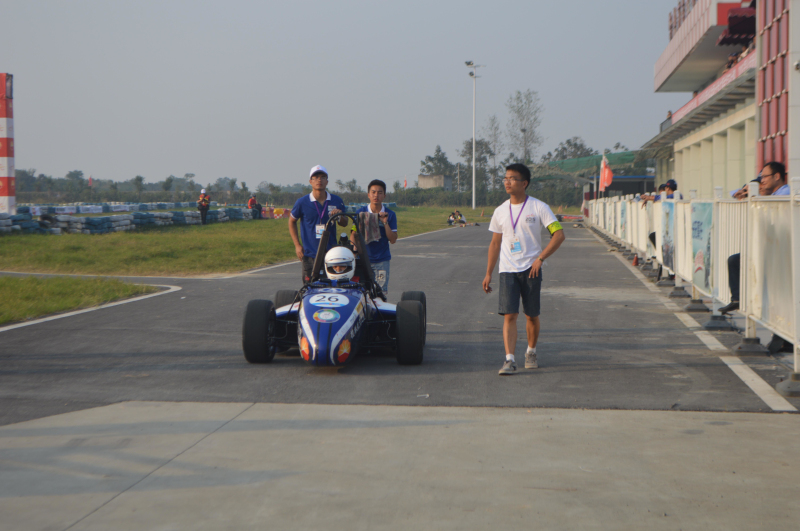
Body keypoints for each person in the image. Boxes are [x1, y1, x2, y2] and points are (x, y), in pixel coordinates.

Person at [482, 163, 566, 375]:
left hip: (531, 270)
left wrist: (540, 258)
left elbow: (559, 235)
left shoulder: (539, 207)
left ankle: (531, 351)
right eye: (506, 178)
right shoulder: (500, 211)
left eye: (512, 178)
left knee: (531, 315)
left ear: (524, 183)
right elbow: (495, 244)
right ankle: (509, 359)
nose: (507, 182)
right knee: (509, 315)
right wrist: (488, 273)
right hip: (507, 270)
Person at [721, 162, 789, 314]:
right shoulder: (773, 195)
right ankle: (738, 300)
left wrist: (756, 196)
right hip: (774, 248)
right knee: (735, 260)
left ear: (777, 176)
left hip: (783, 251)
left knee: (737, 261)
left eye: (764, 177)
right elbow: (734, 192)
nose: (762, 181)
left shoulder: (785, 194)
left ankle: (752, 305)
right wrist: (745, 193)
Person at [289, 165, 348, 284]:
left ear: (327, 181)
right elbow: (291, 221)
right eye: (315, 177)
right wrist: (297, 245)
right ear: (310, 181)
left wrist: (339, 216)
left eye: (322, 177)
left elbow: (345, 223)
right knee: (310, 288)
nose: (319, 180)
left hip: (331, 254)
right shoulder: (302, 202)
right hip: (310, 254)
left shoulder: (336, 200)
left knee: (332, 287)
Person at [353, 179, 397, 293]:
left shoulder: (390, 214)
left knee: (380, 293)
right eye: (373, 192)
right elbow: (353, 234)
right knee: (360, 292)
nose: (376, 195)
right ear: (368, 195)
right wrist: (354, 251)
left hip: (381, 260)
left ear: (384, 196)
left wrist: (385, 222)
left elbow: (393, 239)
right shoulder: (360, 213)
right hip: (362, 260)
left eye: (379, 192)